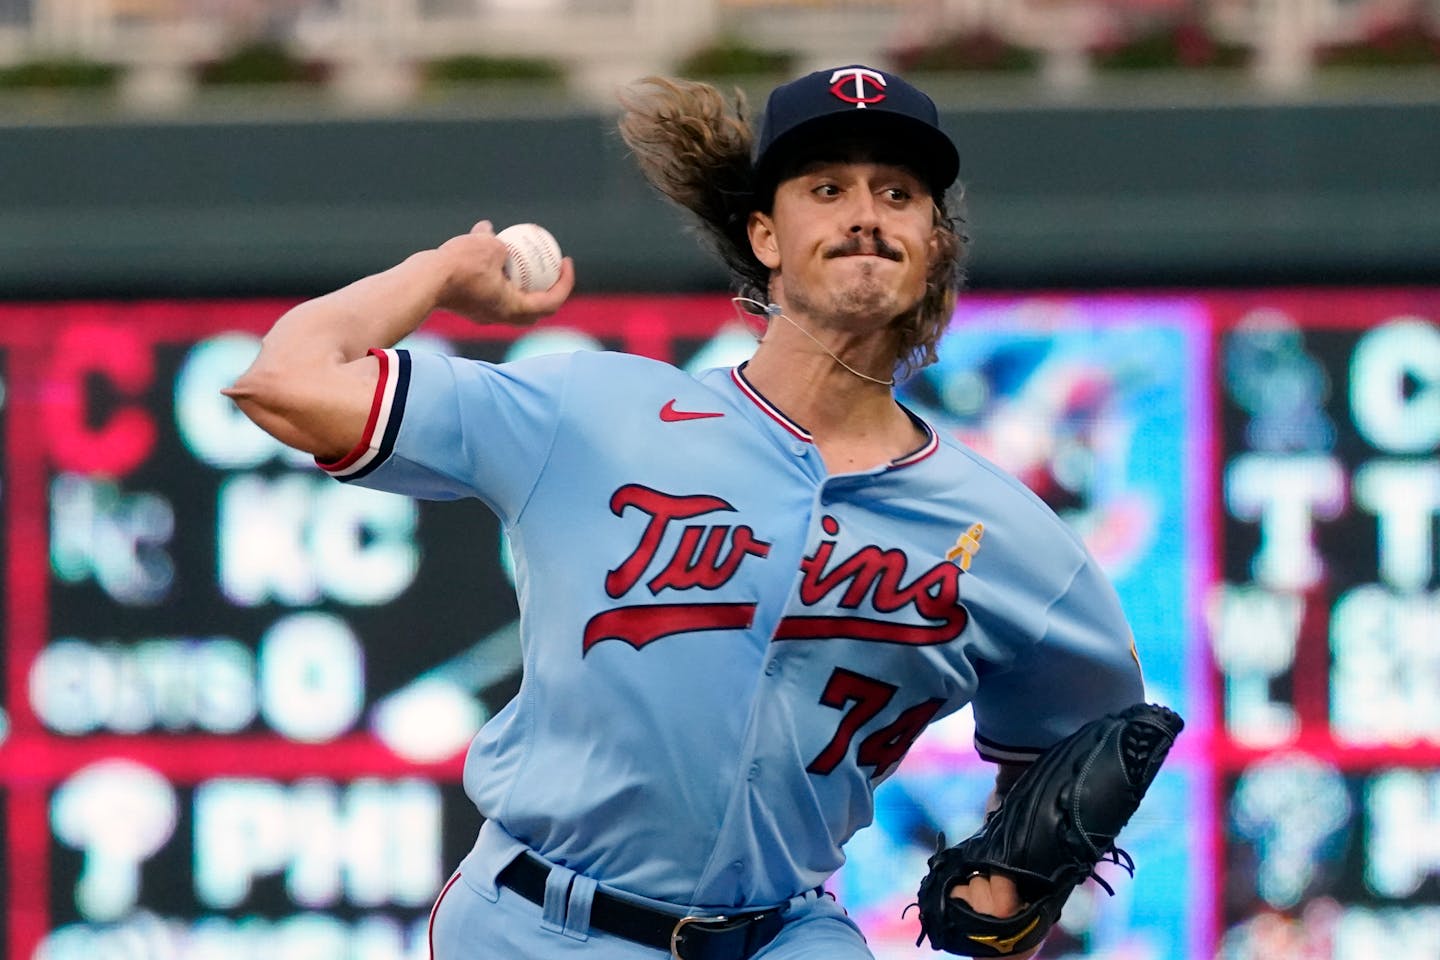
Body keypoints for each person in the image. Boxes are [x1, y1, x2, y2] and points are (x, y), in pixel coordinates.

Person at [225, 64, 1144, 960]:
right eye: (827, 188)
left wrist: (1021, 887)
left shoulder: (1009, 538)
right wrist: (440, 271)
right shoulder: (592, 411)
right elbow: (286, 383)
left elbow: (1095, 745)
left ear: (934, 244)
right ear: (765, 237)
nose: (866, 212)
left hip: (790, 930)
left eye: (899, 194)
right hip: (542, 922)